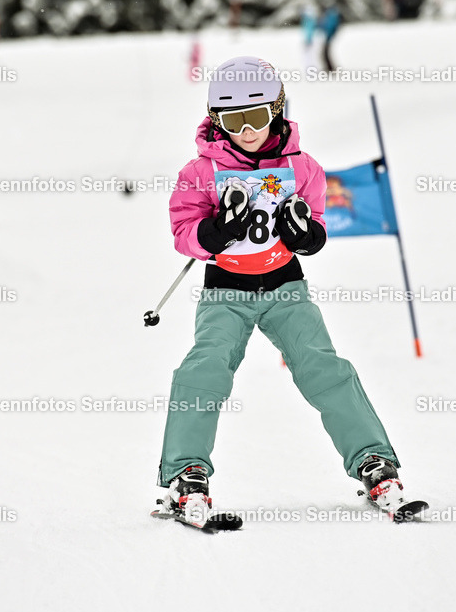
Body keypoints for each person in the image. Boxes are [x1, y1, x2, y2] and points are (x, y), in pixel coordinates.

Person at [157, 56, 411, 521]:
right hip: (226, 290)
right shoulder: (200, 171)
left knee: (323, 366)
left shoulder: (303, 168)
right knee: (205, 367)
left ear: (277, 109)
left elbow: (315, 223)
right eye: (234, 120)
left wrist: (305, 236)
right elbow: (183, 231)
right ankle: (186, 472)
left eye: (257, 116)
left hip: (284, 286)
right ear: (216, 120)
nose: (248, 129)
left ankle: (373, 461)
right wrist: (213, 233)